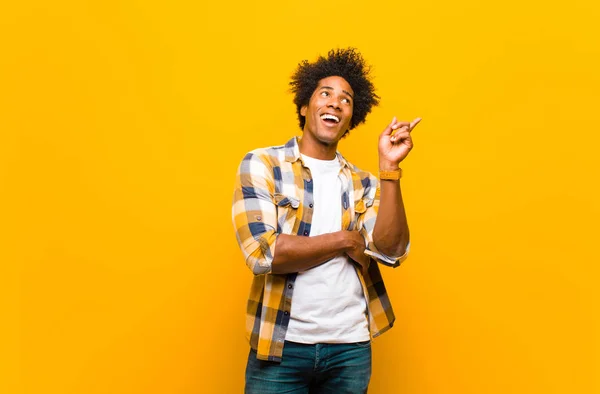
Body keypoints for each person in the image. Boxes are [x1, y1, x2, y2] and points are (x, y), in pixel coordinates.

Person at [232, 48, 421, 393]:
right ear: (305, 107)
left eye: (346, 100)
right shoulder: (262, 165)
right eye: (325, 94)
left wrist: (389, 169)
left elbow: (392, 251)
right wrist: (347, 240)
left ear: (352, 118)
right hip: (280, 347)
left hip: (350, 348)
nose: (335, 103)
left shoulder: (365, 184)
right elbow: (265, 253)